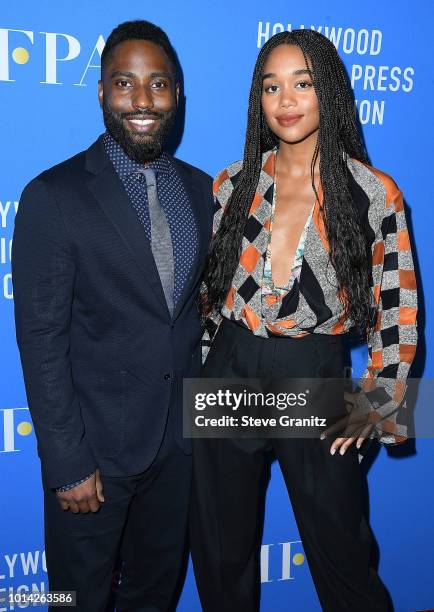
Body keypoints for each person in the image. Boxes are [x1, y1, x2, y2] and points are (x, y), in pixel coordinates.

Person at [190, 29, 417, 612]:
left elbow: (398, 307)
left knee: (342, 551)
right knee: (221, 549)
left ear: (329, 92)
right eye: (272, 86)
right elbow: (211, 299)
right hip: (230, 368)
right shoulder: (233, 183)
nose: (286, 99)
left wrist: (381, 402)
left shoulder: (373, 192)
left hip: (313, 374)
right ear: (257, 99)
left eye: (302, 83)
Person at [12, 19, 213, 612]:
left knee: (155, 595)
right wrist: (67, 464)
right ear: (102, 92)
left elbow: (203, 320)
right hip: (92, 461)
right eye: (125, 83)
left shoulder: (205, 192)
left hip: (179, 452)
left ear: (177, 95)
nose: (143, 101)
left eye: (158, 85)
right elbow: (41, 340)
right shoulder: (54, 195)